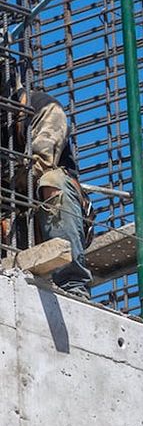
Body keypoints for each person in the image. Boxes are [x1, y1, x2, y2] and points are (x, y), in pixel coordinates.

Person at [1, 67, 92, 298]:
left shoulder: (42, 107)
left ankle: (72, 282)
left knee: (53, 180)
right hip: (10, 224)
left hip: (46, 217)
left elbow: (41, 163)